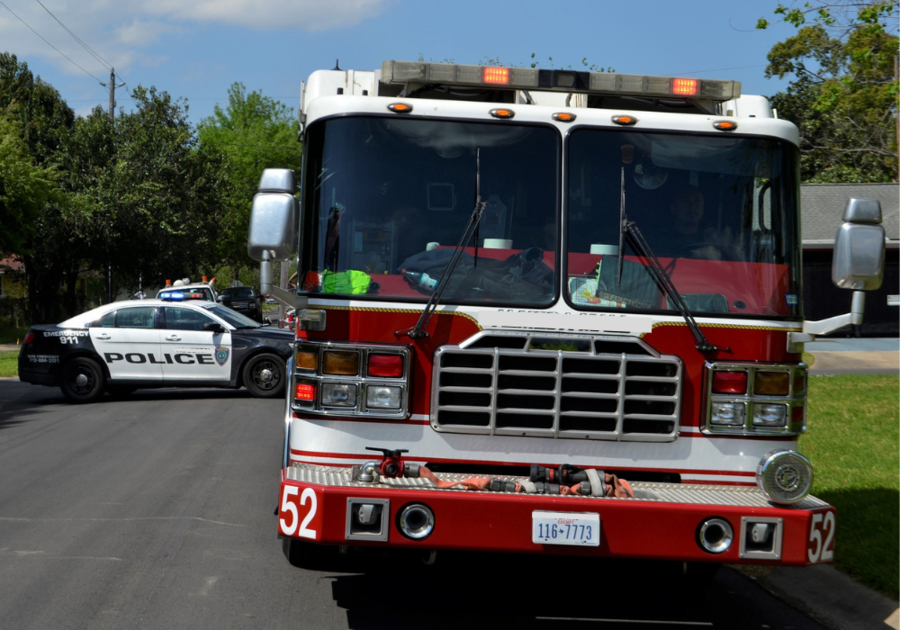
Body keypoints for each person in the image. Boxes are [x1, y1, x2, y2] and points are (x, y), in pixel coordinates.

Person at [654, 186, 742, 261]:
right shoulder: (659, 241)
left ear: (703, 208)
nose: (692, 206)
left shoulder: (711, 240)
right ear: (673, 209)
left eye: (697, 201)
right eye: (685, 201)